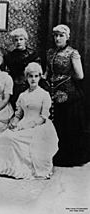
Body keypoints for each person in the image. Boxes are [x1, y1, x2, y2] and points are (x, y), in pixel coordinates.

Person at [0, 62, 58, 179]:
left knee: (15, 138)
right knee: (5, 136)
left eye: (36, 76)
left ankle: (25, 169)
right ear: (26, 77)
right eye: (30, 76)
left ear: (40, 77)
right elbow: (18, 115)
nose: (33, 79)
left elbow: (43, 117)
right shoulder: (22, 95)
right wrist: (14, 123)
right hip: (23, 123)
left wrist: (26, 126)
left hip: (39, 126)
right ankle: (8, 168)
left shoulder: (44, 95)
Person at [46, 24, 89, 166]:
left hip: (68, 93)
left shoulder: (73, 53)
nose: (58, 38)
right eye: (55, 35)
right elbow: (48, 72)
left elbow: (80, 75)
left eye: (61, 35)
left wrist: (65, 79)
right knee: (54, 122)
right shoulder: (50, 52)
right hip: (51, 91)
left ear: (67, 37)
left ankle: (68, 157)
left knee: (67, 124)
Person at [4, 28, 41, 109]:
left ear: (25, 40)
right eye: (16, 40)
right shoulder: (10, 55)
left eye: (21, 39)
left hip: (29, 83)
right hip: (14, 84)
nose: (19, 42)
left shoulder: (32, 54)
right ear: (13, 41)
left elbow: (37, 71)